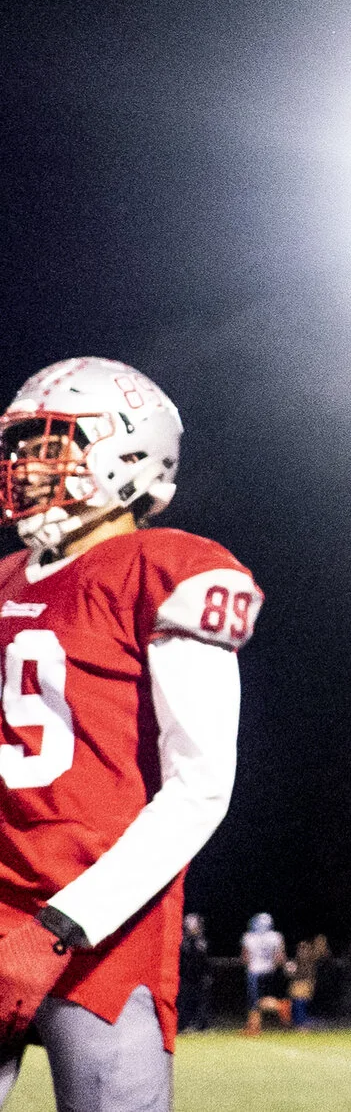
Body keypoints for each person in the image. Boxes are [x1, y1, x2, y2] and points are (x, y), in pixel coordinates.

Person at [0, 358, 262, 1107]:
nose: (24, 463)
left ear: (125, 455)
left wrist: (62, 922)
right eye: (19, 445)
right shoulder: (8, 577)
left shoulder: (167, 568)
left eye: (47, 442)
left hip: (104, 929)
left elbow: (201, 786)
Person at [241, 913, 283, 1032]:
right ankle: (254, 1025)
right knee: (261, 1000)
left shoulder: (248, 937)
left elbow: (245, 957)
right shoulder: (276, 937)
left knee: (254, 1001)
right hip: (270, 971)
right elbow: (280, 957)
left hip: (254, 972)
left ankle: (283, 1006)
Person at [175, 916, 210, 1035]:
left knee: (200, 1001)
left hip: (199, 977)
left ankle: (201, 1025)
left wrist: (207, 974)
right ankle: (182, 1025)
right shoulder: (182, 940)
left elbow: (204, 960)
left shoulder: (200, 941)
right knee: (184, 1001)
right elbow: (182, 959)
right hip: (185, 976)